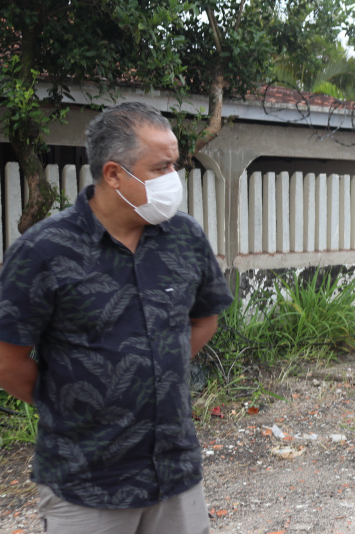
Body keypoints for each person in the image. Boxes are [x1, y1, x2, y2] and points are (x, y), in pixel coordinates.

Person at [0, 101, 233, 533]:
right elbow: (6, 358)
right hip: (86, 481)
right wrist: (71, 403)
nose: (173, 180)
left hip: (175, 474)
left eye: (175, 165)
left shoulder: (184, 237)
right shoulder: (44, 250)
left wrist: (156, 369)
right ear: (113, 174)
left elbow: (205, 319)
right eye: (160, 167)